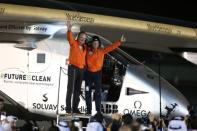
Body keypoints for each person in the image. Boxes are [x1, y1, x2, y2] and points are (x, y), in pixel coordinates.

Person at [85, 35, 126, 114]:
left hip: (97, 74)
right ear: (92, 43)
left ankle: (98, 111)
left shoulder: (101, 51)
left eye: (97, 43)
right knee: (87, 92)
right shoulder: (87, 50)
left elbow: (111, 47)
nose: (95, 44)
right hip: (89, 73)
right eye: (94, 43)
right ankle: (88, 110)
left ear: (99, 44)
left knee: (98, 93)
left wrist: (119, 41)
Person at [65, 21, 87, 114]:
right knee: (70, 89)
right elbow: (70, 38)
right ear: (78, 37)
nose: (82, 39)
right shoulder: (74, 44)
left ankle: (75, 108)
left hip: (81, 70)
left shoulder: (85, 47)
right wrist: (69, 29)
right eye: (81, 37)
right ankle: (68, 109)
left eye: (84, 38)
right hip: (73, 68)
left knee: (77, 90)